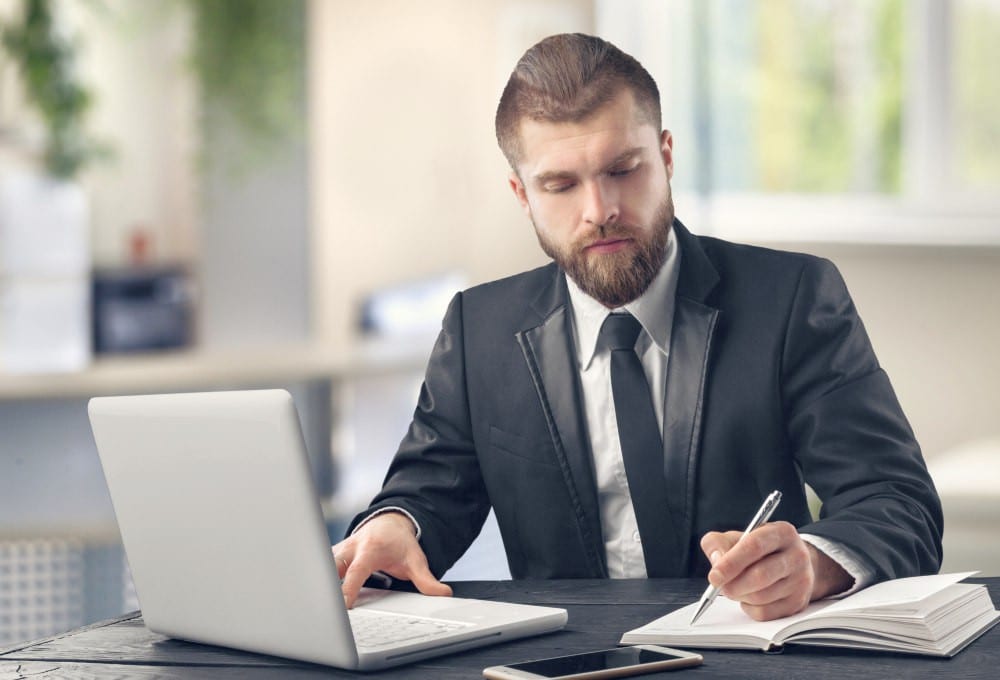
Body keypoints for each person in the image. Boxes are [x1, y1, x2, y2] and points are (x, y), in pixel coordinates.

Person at [332, 33, 942, 621]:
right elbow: (427, 492)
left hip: (746, 655)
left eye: (623, 169)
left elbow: (898, 503)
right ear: (522, 194)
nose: (600, 211)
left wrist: (812, 565)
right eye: (561, 184)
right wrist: (392, 526)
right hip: (558, 662)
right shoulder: (478, 329)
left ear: (667, 155)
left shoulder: (792, 299)